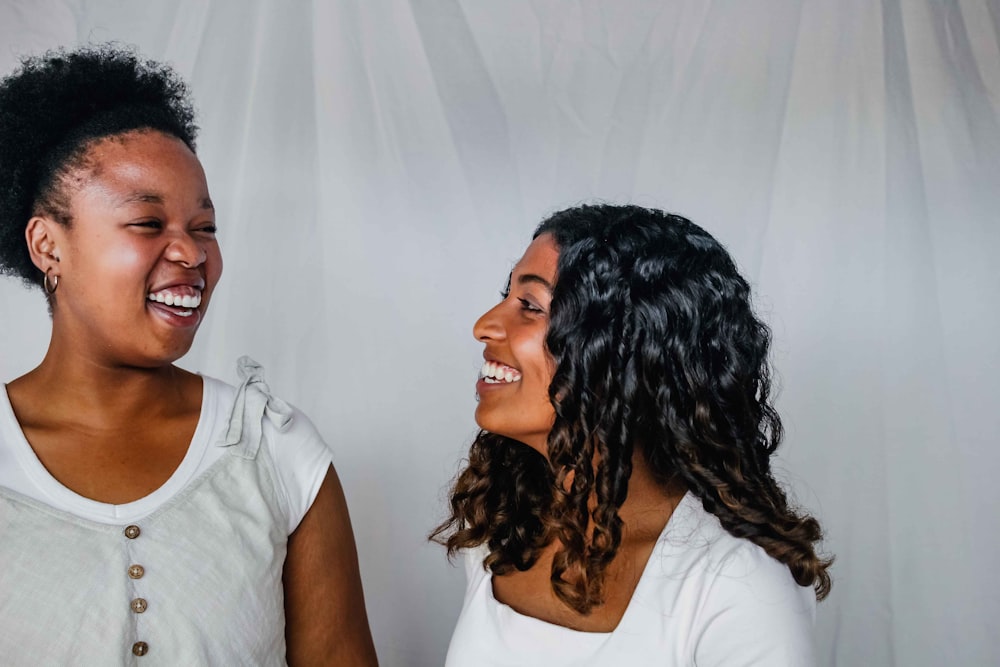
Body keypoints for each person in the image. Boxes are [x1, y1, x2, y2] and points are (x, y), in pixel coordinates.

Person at [0, 45, 378, 665]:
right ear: (47, 245)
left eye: (204, 228)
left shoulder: (274, 450)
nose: (192, 253)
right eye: (149, 224)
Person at [435, 204, 832, 665]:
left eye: (530, 306)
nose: (484, 325)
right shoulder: (504, 524)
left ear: (627, 354)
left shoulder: (737, 586)